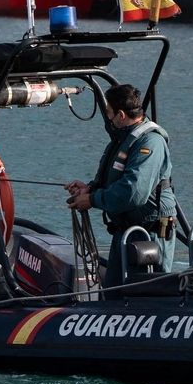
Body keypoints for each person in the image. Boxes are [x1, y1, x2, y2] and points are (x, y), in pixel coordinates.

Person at [65, 83, 176, 274]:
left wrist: (92, 200)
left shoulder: (151, 143)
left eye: (109, 112)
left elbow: (134, 192)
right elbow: (115, 176)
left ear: (121, 115)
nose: (107, 117)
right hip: (125, 231)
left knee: (146, 298)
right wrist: (90, 189)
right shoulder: (124, 139)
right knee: (113, 298)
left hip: (147, 235)